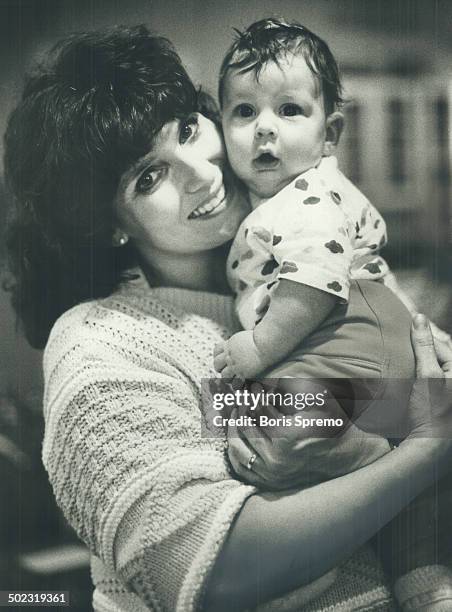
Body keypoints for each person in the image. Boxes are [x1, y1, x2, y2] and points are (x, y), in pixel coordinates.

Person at [4, 25, 452, 612]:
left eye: (189, 130)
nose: (201, 171)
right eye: (149, 176)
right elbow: (207, 572)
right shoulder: (100, 343)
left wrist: (389, 428)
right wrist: (421, 451)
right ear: (108, 226)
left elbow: (397, 387)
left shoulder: (288, 265)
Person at [214, 18, 449, 382]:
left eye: (289, 109)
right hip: (345, 351)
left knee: (262, 423)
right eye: (244, 111)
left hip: (351, 345)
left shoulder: (311, 198)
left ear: (329, 134)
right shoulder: (271, 198)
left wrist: (261, 346)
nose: (263, 126)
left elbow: (314, 279)